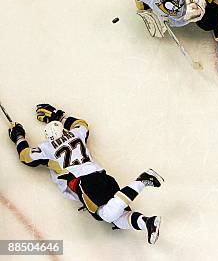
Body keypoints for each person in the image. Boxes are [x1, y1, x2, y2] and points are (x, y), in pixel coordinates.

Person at [7, 104, 163, 244]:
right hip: (102, 175)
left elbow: (25, 156)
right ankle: (147, 222)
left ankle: (142, 181)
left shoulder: (48, 147)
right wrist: (58, 115)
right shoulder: (76, 134)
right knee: (116, 218)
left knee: (106, 215)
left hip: (83, 182)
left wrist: (18, 136)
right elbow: (82, 124)